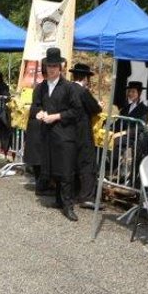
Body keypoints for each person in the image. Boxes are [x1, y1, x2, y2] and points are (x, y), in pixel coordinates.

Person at [27, 48, 87, 220]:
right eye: (49, 66)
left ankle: (68, 205)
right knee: (53, 169)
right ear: (45, 67)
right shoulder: (41, 87)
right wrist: (39, 113)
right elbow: (35, 106)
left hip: (65, 135)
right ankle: (59, 200)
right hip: (47, 135)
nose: (52, 69)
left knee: (66, 170)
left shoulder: (69, 87)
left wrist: (56, 116)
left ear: (60, 67)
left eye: (55, 66)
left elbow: (76, 111)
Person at [67, 63, 102, 206]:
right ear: (85, 78)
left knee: (72, 163)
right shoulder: (83, 91)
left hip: (69, 131)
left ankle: (73, 193)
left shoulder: (66, 88)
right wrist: (99, 105)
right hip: (82, 131)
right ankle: (86, 197)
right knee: (88, 164)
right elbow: (95, 108)